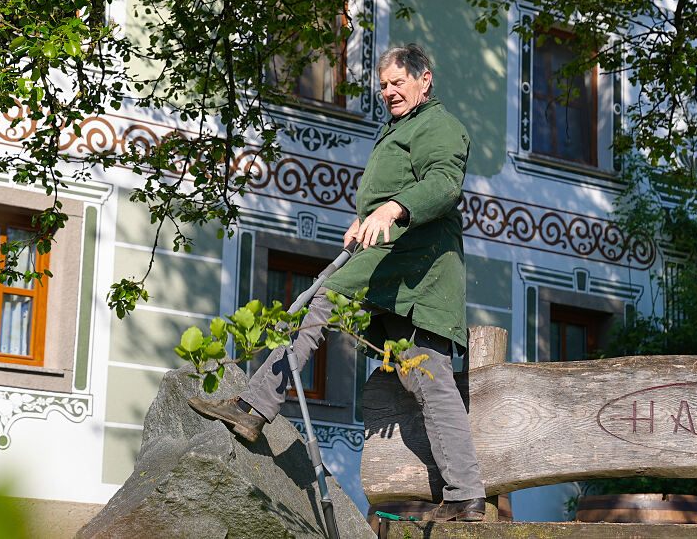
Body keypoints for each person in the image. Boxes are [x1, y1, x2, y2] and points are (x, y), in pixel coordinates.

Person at [188, 43, 487, 522]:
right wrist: (366, 218)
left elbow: (444, 185)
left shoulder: (439, 125)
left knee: (429, 380)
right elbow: (394, 189)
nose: (388, 92)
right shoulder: (399, 127)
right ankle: (255, 407)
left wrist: (391, 209)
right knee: (322, 304)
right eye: (383, 85)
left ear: (424, 79)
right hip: (387, 266)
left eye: (397, 82)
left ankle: (466, 497)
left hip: (421, 275)